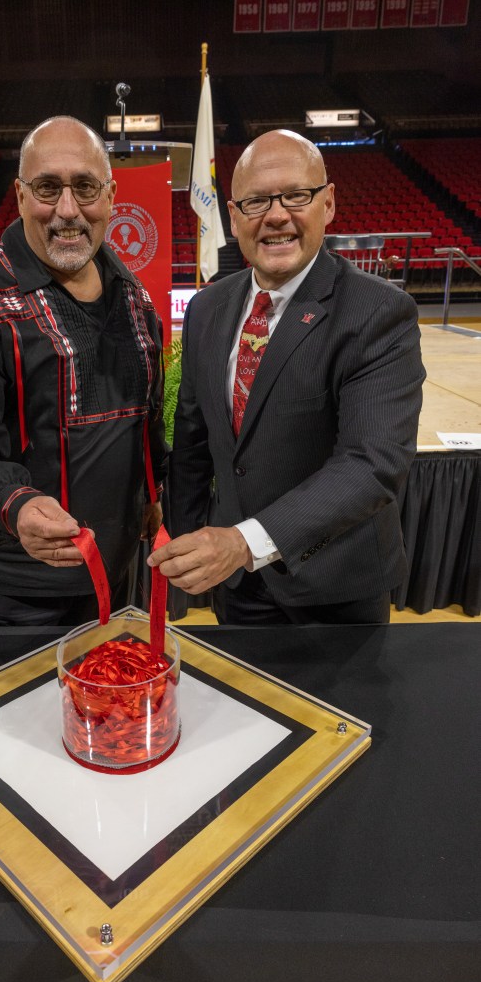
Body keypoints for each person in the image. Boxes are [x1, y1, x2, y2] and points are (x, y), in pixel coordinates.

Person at [148, 129, 425, 625]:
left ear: (328, 203)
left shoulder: (378, 311)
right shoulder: (207, 308)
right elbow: (192, 442)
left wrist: (243, 542)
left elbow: (372, 463)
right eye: (256, 201)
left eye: (296, 195)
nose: (276, 216)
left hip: (333, 590)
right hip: (235, 586)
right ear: (233, 216)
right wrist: (187, 541)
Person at [0, 116, 167, 626]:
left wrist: (150, 490)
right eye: (48, 188)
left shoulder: (134, 296)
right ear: (21, 196)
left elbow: (146, 417)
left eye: (85, 187)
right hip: (12, 593)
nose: (67, 210)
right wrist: (15, 504)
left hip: (113, 573)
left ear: (110, 195)